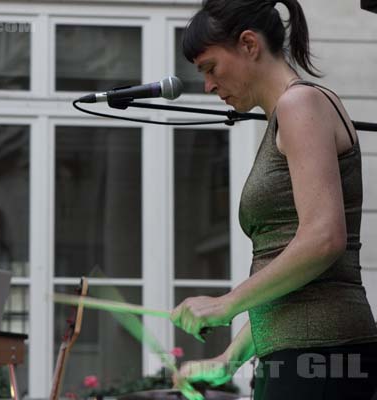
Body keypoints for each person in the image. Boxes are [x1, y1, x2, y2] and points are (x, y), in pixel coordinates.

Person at [169, 1, 377, 399]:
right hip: (303, 358)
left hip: (323, 358)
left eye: (211, 68)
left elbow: (324, 238)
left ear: (249, 44)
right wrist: (228, 358)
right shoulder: (286, 115)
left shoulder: (300, 104)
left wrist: (226, 304)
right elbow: (291, 279)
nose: (208, 86)